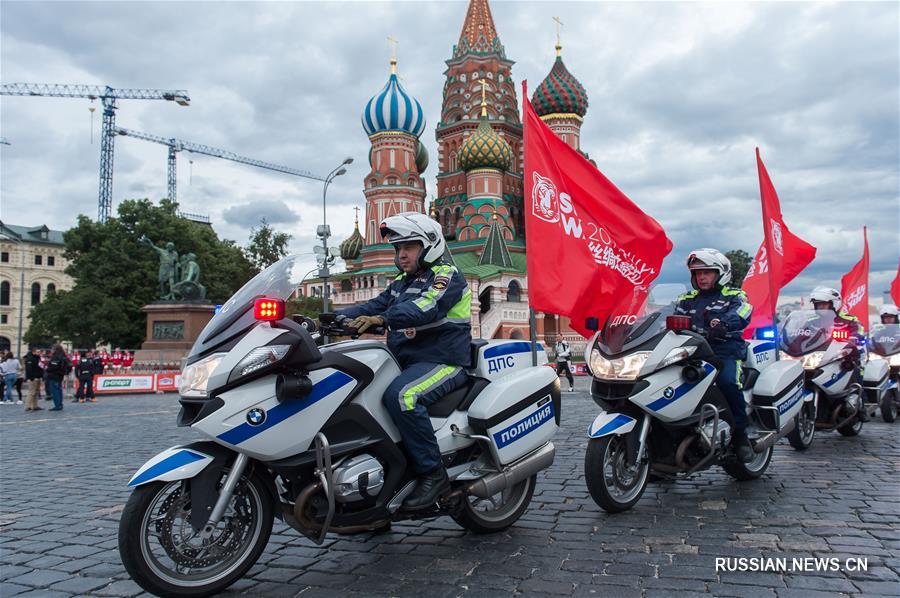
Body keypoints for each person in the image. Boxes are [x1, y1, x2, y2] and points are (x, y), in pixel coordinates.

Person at [334, 212, 472, 511]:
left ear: (429, 245)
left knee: (404, 397)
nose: (402, 254)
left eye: (409, 247)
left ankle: (433, 475)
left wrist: (381, 319)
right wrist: (331, 318)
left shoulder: (446, 275)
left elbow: (425, 307)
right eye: (398, 248)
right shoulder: (400, 282)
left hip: (443, 361)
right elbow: (374, 304)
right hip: (405, 362)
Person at [675, 248, 754, 463]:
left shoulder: (735, 296)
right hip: (690, 353)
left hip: (724, 353)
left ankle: (740, 436)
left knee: (728, 383)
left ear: (720, 274)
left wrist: (725, 324)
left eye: (707, 272)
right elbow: (666, 317)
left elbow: (744, 311)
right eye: (697, 273)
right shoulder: (686, 299)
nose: (701, 277)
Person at [45, 345, 71, 411]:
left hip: (54, 375)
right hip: (60, 375)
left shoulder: (56, 356)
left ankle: (57, 405)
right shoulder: (64, 356)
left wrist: (47, 369)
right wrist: (66, 372)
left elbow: (53, 366)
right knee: (59, 390)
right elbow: (69, 364)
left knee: (55, 391)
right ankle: (60, 404)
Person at [23, 348, 44, 412]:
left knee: (36, 392)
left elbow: (40, 367)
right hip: (33, 378)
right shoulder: (29, 359)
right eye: (37, 352)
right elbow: (29, 369)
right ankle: (28, 406)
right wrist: (31, 377)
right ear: (33, 352)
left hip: (38, 377)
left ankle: (35, 405)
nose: (39, 353)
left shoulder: (37, 358)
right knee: (31, 392)